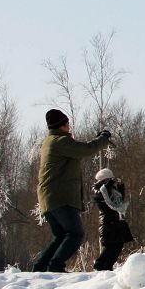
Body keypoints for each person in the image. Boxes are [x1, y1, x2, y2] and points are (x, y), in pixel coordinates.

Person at [33, 109, 112, 272]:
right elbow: (86, 149)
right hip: (60, 197)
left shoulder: (50, 142)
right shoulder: (59, 142)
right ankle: (55, 266)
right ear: (62, 126)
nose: (69, 126)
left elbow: (79, 148)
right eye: (67, 124)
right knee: (76, 234)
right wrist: (103, 139)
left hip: (48, 198)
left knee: (61, 235)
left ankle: (40, 268)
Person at [91, 167, 135, 271]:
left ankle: (108, 266)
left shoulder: (111, 190)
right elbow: (105, 201)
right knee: (111, 246)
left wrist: (120, 188)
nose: (111, 181)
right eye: (109, 179)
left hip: (116, 221)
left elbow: (118, 202)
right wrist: (107, 185)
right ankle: (100, 265)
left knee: (118, 245)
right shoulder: (98, 190)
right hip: (107, 222)